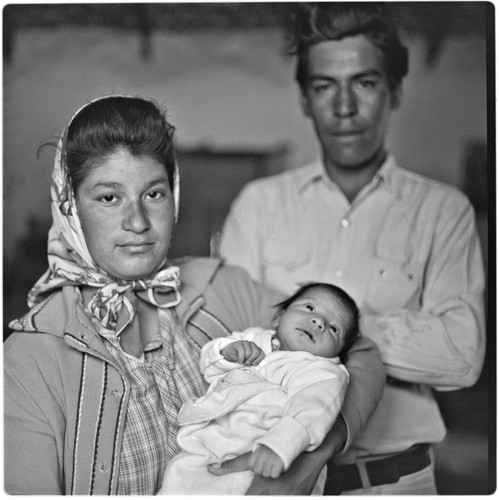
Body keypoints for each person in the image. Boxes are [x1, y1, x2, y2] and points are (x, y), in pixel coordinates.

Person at [3, 95, 385, 495]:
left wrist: (309, 454)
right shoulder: (27, 365)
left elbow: (361, 353)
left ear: (174, 196)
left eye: (153, 194)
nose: (137, 222)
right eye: (109, 197)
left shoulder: (220, 286)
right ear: (70, 209)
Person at [219, 3, 486, 495]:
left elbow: (462, 355)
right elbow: (225, 331)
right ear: (304, 98)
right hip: (274, 480)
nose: (344, 107)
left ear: (395, 91)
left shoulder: (445, 211)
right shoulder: (259, 205)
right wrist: (389, 332)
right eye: (324, 86)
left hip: (394, 484)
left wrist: (325, 323)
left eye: (364, 82)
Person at [160, 282, 359, 495]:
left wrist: (281, 445)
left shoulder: (322, 370)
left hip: (266, 455)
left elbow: (314, 407)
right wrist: (226, 353)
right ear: (279, 317)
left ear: (338, 353)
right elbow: (209, 366)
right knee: (177, 481)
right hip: (207, 445)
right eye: (310, 308)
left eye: (334, 328)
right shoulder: (253, 337)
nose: (319, 322)